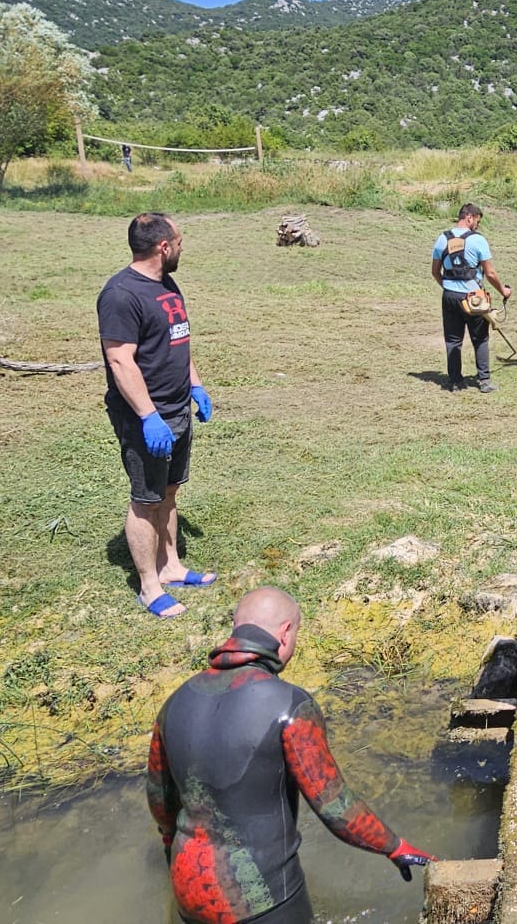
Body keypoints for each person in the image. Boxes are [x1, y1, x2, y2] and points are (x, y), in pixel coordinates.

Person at [148, 587, 434, 924]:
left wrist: (171, 847)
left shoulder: (174, 702)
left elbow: (160, 802)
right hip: (262, 899)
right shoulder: (291, 705)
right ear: (285, 633)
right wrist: (395, 846)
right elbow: (335, 807)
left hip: (187, 890)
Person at [99, 212, 217, 618]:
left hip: (177, 406)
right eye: (179, 242)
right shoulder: (120, 295)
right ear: (163, 247)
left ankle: (171, 568)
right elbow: (120, 361)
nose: (183, 247)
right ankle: (149, 588)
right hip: (146, 416)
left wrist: (196, 385)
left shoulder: (166, 283)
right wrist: (148, 416)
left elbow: (177, 340)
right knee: (145, 500)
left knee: (168, 491)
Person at [429, 204, 511, 393]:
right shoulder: (477, 240)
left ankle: (455, 382)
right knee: (480, 338)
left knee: (453, 340)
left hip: (449, 296)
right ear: (469, 218)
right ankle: (484, 381)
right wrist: (503, 291)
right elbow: (490, 273)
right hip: (474, 299)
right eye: (477, 222)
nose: (477, 226)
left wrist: (449, 288)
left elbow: (435, 271)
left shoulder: (442, 238)